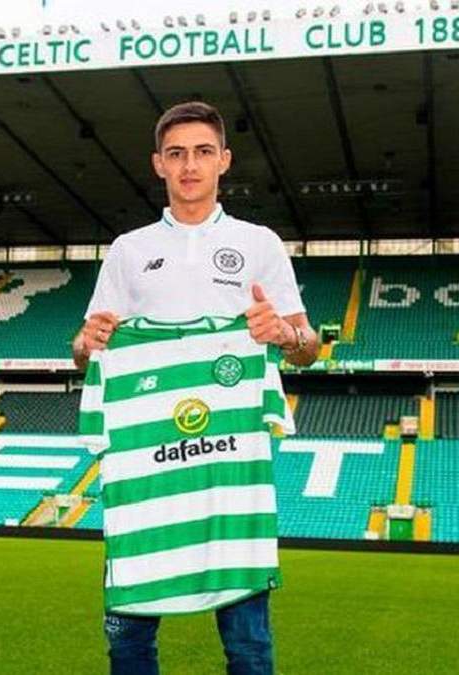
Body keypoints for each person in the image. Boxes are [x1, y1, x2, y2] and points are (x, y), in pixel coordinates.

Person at [73, 101, 319, 675]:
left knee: (248, 646)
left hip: (230, 471)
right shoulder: (128, 250)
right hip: (148, 473)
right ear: (158, 163)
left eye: (203, 152)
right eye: (177, 154)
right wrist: (86, 342)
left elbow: (308, 346)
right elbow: (87, 353)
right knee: (128, 643)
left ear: (224, 160)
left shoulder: (260, 243)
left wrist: (284, 334)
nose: (190, 165)